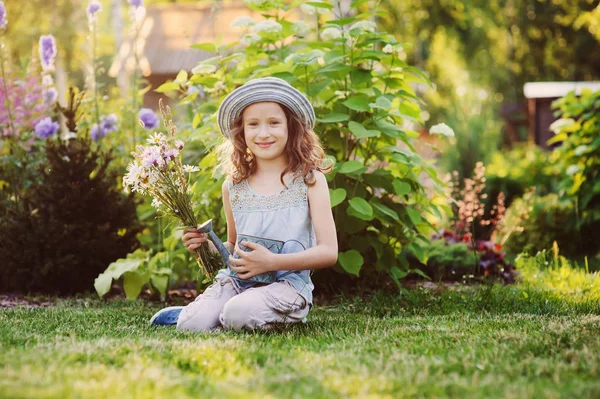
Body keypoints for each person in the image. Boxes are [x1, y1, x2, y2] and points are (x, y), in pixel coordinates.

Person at [150, 77, 338, 331]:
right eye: (253, 124)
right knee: (190, 326)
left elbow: (329, 252)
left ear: (291, 128)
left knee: (237, 313)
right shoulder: (234, 187)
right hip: (238, 283)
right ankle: (203, 314)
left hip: (287, 286)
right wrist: (205, 245)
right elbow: (233, 246)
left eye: (273, 123)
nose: (263, 133)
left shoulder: (310, 181)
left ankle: (238, 314)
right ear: (242, 132)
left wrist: (273, 263)